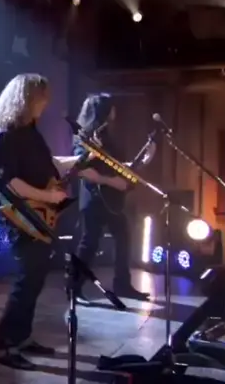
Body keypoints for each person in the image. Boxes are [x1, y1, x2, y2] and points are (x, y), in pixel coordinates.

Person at [0, 74, 105, 370]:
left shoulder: (31, 131)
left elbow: (51, 164)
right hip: (23, 218)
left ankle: (22, 338)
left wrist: (84, 158)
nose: (46, 103)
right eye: (42, 97)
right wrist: (48, 196)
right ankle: (4, 346)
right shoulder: (7, 136)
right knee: (26, 281)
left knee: (35, 280)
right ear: (26, 99)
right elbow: (10, 183)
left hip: (41, 216)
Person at [71, 93, 155, 303]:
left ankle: (122, 285)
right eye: (112, 107)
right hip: (94, 197)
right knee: (90, 242)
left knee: (122, 237)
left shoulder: (105, 135)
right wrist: (111, 182)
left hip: (110, 199)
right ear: (104, 111)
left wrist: (145, 160)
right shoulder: (85, 136)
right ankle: (74, 286)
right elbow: (81, 168)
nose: (115, 111)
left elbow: (115, 166)